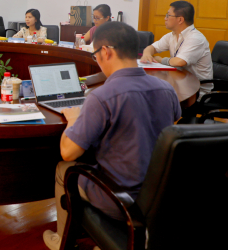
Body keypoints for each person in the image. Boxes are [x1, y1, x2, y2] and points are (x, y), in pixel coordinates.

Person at [43, 22, 181, 250]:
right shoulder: (166, 89)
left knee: (63, 169)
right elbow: (171, 128)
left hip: (121, 199)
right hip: (160, 196)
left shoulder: (101, 96)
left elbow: (68, 153)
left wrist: (74, 119)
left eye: (95, 55)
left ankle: (61, 241)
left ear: (106, 52)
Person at [140, 0, 213, 97]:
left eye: (168, 15)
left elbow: (179, 62)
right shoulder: (172, 35)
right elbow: (152, 47)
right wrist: (147, 54)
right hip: (180, 83)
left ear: (180, 20)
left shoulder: (196, 39)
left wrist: (160, 60)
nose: (165, 18)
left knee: (154, 96)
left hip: (196, 90)